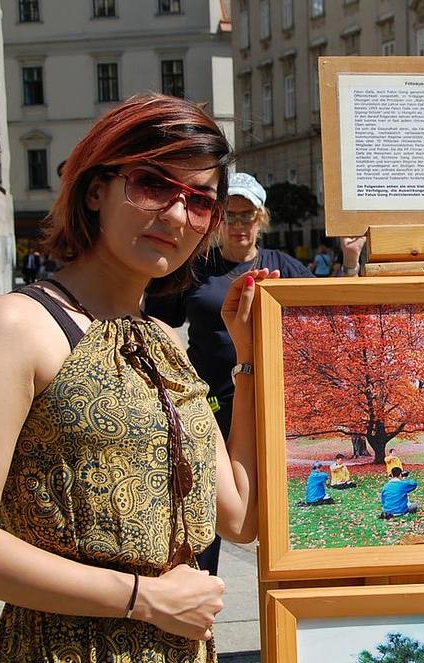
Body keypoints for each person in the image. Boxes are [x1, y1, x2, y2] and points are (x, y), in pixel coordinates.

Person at [0, 94, 273, 658]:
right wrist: (145, 598)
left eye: (199, 201)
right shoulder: (16, 326)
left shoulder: (163, 344)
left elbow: (240, 518)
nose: (177, 215)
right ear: (96, 190)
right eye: (153, 185)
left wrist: (251, 360)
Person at [144, 172, 365, 574]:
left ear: (261, 218)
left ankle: (288, 607)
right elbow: (154, 323)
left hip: (270, 406)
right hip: (209, 408)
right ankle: (197, 599)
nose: (238, 225)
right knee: (204, 512)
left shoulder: (282, 267)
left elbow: (329, 317)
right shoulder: (196, 268)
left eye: (247, 216)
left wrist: (350, 264)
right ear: (216, 221)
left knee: (277, 512)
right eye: (229, 216)